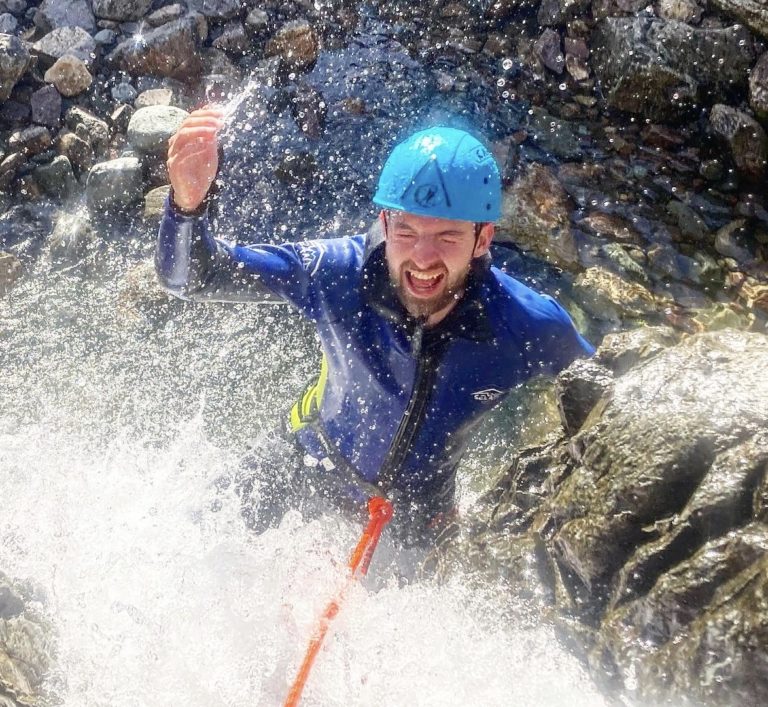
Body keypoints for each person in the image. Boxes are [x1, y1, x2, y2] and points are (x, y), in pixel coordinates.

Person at [156, 109, 594, 547]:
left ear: (483, 239)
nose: (422, 259)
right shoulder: (336, 273)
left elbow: (606, 401)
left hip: (419, 512)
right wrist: (186, 206)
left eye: (447, 236)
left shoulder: (527, 325)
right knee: (183, 544)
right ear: (385, 223)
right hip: (308, 461)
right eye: (406, 231)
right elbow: (192, 279)